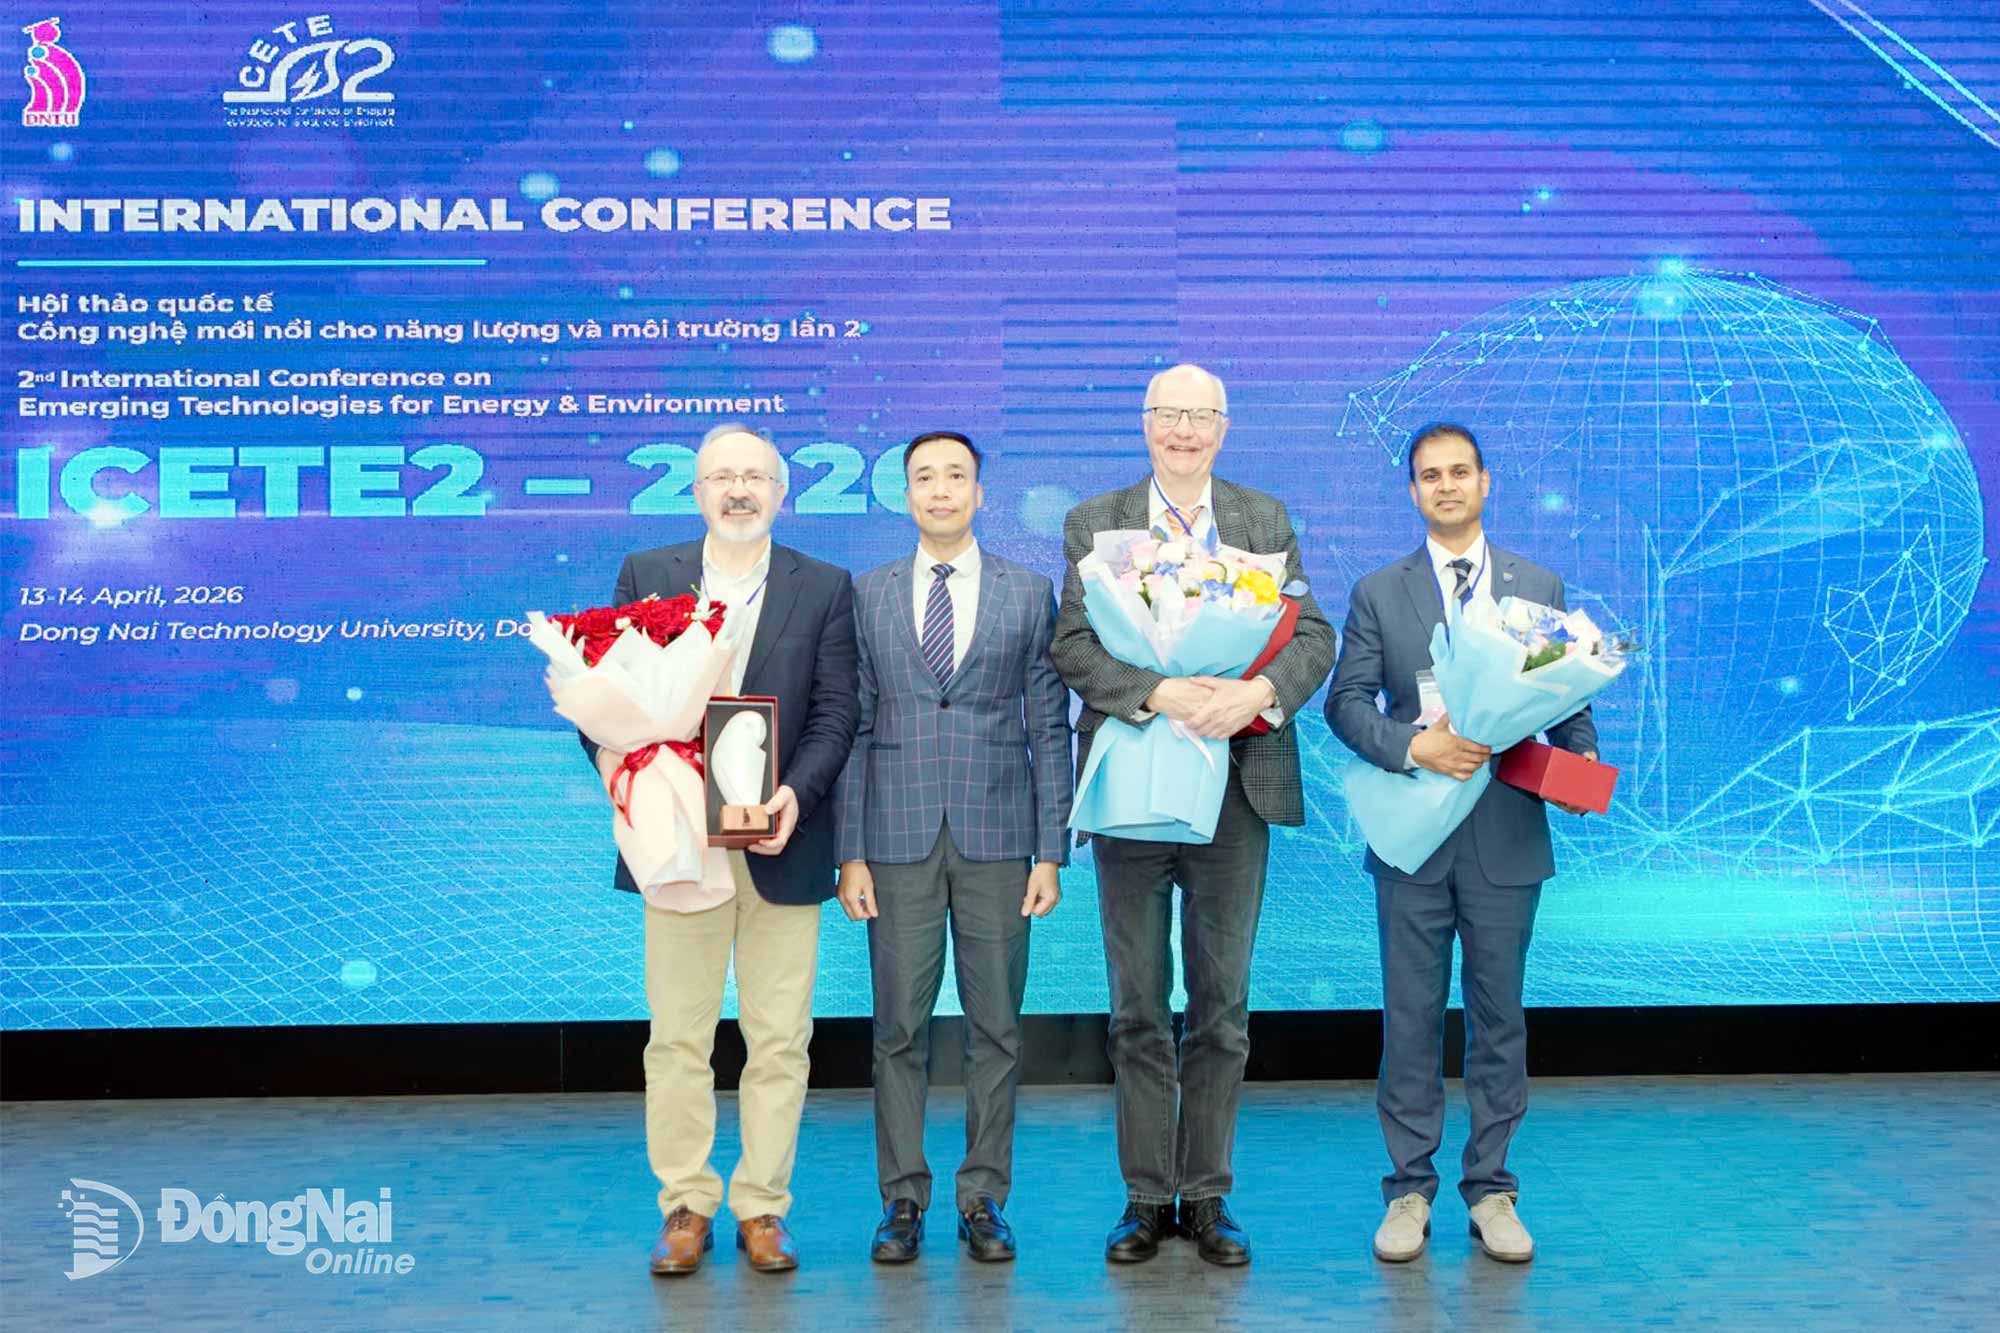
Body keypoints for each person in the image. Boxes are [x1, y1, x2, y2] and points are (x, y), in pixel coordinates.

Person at [1051, 364, 1337, 1266]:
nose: (1184, 429)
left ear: (1223, 426)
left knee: (1222, 1005)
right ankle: (1145, 1196)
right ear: (1145, 424)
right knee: (1137, 1006)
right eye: (1169, 414)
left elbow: (1314, 635)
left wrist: (1254, 693)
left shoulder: (1263, 519)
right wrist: (1160, 690)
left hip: (1237, 785)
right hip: (1133, 786)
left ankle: (1207, 1194)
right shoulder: (1094, 522)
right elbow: (1071, 644)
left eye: (1200, 415)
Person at [581, 424, 858, 1277]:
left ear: (781, 491)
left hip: (784, 839)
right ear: (696, 491)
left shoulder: (826, 587)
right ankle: (687, 1204)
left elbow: (836, 713)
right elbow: (604, 701)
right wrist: (627, 771)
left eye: (755, 477)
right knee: (678, 1037)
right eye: (720, 477)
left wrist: (793, 795)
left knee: (780, 1038)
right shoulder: (647, 575)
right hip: (677, 850)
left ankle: (763, 1206)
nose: (738, 490)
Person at [1324, 421, 1599, 1266]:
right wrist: (1416, 746)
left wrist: (1580, 762)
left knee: (1498, 1017)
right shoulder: (1380, 590)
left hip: (1507, 835)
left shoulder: (1536, 582)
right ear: (1413, 492)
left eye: (1459, 472)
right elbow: (1345, 702)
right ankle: (1408, 1188)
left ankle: (1493, 1189)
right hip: (1415, 835)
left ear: (1486, 483)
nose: (1445, 486)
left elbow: (1563, 695)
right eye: (1428, 475)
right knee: (1410, 1017)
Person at [833, 430, 1073, 1265]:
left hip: (1002, 838)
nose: (940, 490)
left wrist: (1052, 849)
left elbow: (1049, 723)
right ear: (906, 495)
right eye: (924, 477)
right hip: (892, 839)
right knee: (897, 1027)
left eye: (956, 477)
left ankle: (983, 1199)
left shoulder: (1027, 590)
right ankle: (902, 1200)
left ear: (980, 494)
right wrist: (849, 851)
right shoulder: (866, 594)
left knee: (996, 1028)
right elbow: (855, 726)